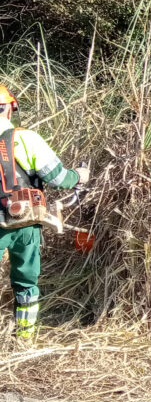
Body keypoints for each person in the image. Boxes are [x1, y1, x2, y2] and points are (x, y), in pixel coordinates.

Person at [0, 85, 88, 338]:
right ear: (10, 108)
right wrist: (79, 176)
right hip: (24, 222)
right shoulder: (26, 139)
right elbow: (59, 178)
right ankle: (25, 338)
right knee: (26, 282)